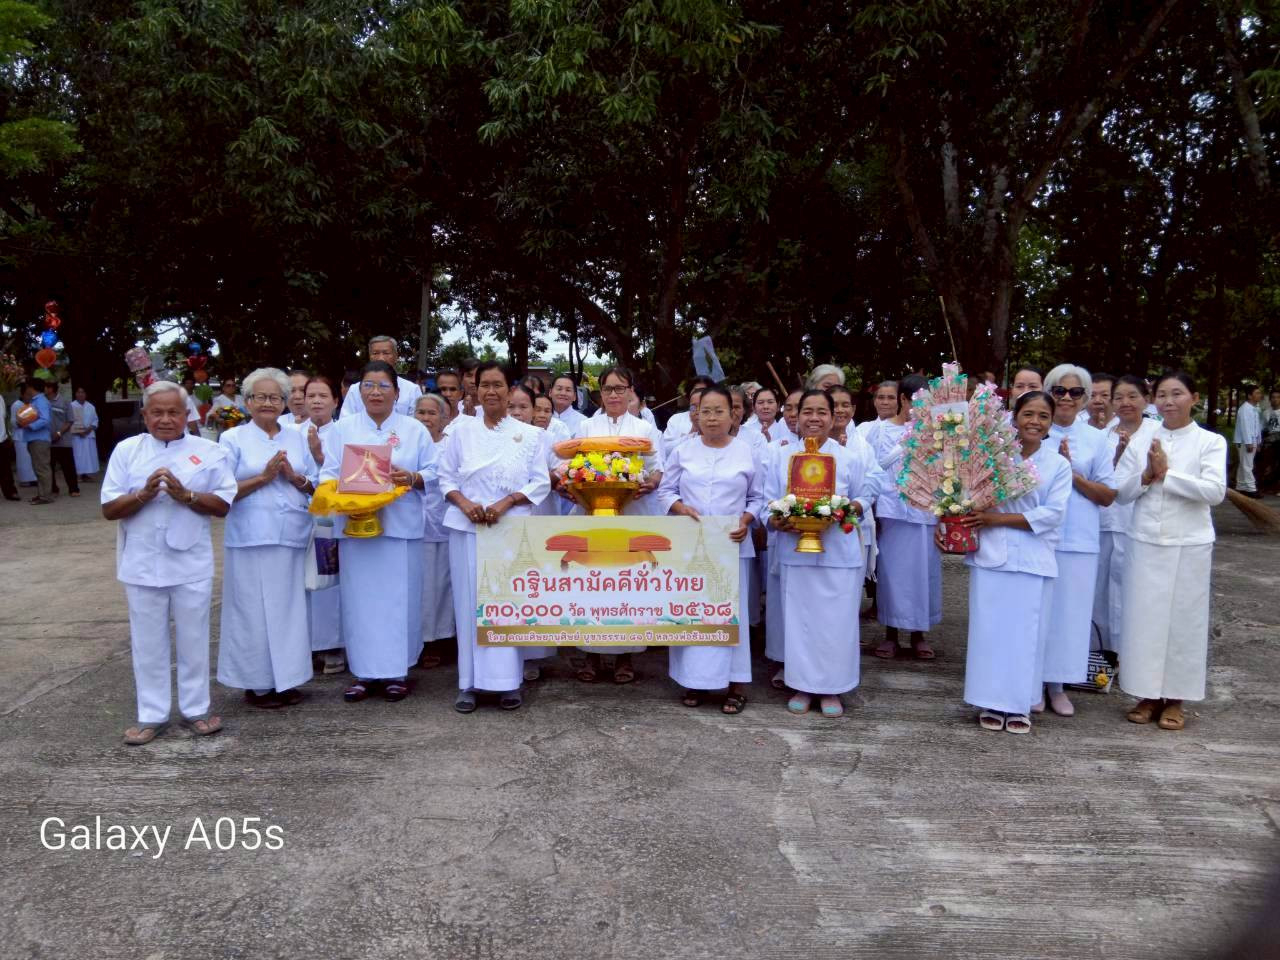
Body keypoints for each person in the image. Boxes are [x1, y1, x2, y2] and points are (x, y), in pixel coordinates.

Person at [100, 381, 237, 744]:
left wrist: (186, 495)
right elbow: (109, 508)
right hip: (142, 562)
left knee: (194, 638)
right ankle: (152, 715)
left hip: (190, 560)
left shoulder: (209, 451)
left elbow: (223, 505)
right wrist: (143, 495)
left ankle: (196, 710)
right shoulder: (127, 451)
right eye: (156, 412)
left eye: (173, 412)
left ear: (186, 414)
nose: (165, 419)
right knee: (147, 643)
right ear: (144, 415)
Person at [1113, 371, 1227, 731]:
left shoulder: (1210, 442)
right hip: (1145, 540)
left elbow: (1214, 492)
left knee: (1183, 623)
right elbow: (1121, 490)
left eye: (1177, 393)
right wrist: (1146, 476)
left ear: (1194, 397)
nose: (1168, 401)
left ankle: (1175, 698)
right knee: (1145, 621)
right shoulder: (1142, 437)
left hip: (1190, 543)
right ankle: (1146, 695)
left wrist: (1167, 475)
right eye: (1161, 394)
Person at [762, 389, 884, 718]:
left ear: (833, 418)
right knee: (800, 622)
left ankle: (833, 688)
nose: (814, 418)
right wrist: (775, 519)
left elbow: (871, 485)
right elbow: (767, 498)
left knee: (836, 623)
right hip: (794, 550)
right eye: (807, 412)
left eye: (821, 412)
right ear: (796, 417)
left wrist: (850, 508)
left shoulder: (848, 456)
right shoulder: (780, 455)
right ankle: (801, 684)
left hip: (839, 553)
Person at [320, 360, 437, 703]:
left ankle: (398, 673)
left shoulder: (414, 429)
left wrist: (412, 478)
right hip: (356, 530)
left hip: (399, 529)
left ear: (397, 393)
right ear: (358, 391)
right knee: (359, 603)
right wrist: (346, 488)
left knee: (399, 602)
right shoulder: (343, 428)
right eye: (368, 385)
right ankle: (363, 673)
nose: (375, 392)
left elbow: (434, 472)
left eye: (383, 386)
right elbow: (326, 473)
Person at [956, 390, 1071, 734]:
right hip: (992, 556)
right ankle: (989, 700)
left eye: (1043, 417)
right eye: (1028, 414)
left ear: (1051, 423)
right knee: (990, 633)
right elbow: (967, 496)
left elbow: (1053, 514)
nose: (1035, 422)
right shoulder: (991, 457)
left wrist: (998, 520)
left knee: (1027, 635)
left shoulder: (1059, 465)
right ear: (1014, 417)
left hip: (1035, 559)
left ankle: (1020, 703)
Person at [439, 360, 550, 712]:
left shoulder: (531, 435)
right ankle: (468, 683)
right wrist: (466, 503)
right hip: (466, 526)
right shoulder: (460, 431)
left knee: (506, 606)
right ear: (474, 388)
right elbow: (446, 478)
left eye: (497, 384)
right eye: (484, 384)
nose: (490, 391)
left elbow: (540, 482)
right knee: (470, 605)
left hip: (509, 528)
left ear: (509, 389)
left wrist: (506, 502)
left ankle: (507, 682)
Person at [656, 385, 764, 714]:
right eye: (706, 411)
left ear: (733, 415)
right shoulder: (683, 451)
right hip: (691, 546)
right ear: (696, 415)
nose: (712, 418)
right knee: (692, 613)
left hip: (731, 546)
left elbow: (758, 497)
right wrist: (680, 508)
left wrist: (746, 520)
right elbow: (665, 490)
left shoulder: (746, 451)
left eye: (720, 411)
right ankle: (694, 680)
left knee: (731, 617)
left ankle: (736, 683)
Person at [216, 368, 316, 709]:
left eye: (276, 397)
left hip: (291, 534)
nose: (268, 403)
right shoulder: (233, 439)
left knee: (287, 610)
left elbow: (314, 484)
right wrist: (264, 477)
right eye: (261, 397)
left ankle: (286, 680)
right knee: (252, 611)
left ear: (286, 403)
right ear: (247, 402)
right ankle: (256, 684)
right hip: (251, 537)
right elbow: (222, 491)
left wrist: (293, 477)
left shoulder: (295, 436)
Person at [567, 365, 666, 683]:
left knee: (626, 584)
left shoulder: (644, 429)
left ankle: (625, 658)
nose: (613, 395)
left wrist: (648, 482)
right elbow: (571, 467)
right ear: (600, 394)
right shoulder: (585, 427)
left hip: (632, 512)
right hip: (591, 515)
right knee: (592, 583)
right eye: (608, 389)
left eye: (620, 388)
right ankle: (591, 656)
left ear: (630, 391)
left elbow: (656, 468)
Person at [1036, 365, 1117, 716]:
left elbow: (1107, 494)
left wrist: (1072, 473)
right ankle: (1032, 681)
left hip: (1080, 539)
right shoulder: (1033, 430)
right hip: (1038, 537)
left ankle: (1058, 685)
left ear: (1085, 398)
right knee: (1037, 613)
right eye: (1059, 391)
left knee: (1069, 616)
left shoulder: (1098, 439)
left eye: (1075, 392)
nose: (1066, 398)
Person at [871, 374, 941, 659]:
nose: (922, 407)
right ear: (903, 400)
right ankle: (890, 633)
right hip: (893, 514)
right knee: (892, 575)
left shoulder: (937, 431)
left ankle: (919, 634)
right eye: (916, 400)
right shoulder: (880, 432)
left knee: (923, 574)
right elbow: (873, 471)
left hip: (925, 512)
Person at [1093, 375, 1157, 655]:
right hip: (1104, 521)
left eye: (1132, 396)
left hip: (1140, 522)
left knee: (1133, 590)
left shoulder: (1158, 432)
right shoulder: (1102, 434)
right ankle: (1102, 651)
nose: (1125, 403)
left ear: (1146, 399)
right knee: (1101, 590)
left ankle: (1132, 652)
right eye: (1118, 397)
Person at [301, 375, 345, 674]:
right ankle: (303, 647)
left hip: (328, 520)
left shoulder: (342, 433)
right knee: (300, 588)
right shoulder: (290, 432)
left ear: (335, 401)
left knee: (328, 585)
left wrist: (319, 457)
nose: (316, 401)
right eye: (311, 395)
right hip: (296, 521)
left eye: (322, 395)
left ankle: (332, 647)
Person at [412, 393, 456, 670]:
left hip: (443, 525)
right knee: (419, 586)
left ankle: (440, 642)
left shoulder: (451, 446)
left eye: (432, 413)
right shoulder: (406, 444)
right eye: (421, 413)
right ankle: (418, 641)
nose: (426, 419)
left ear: (444, 418)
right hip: (412, 527)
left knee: (442, 587)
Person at [339, 336, 423, 419]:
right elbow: (345, 424)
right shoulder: (355, 389)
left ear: (396, 356)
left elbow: (416, 426)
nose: (381, 358)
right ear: (370, 357)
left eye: (386, 353)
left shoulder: (412, 390)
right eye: (375, 353)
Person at [661, 375, 717, 457]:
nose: (700, 395)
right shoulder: (676, 420)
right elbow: (664, 451)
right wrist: (693, 431)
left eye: (704, 391)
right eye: (696, 391)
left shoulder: (718, 419)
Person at [41, 381, 79, 497]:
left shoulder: (64, 401)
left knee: (68, 466)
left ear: (51, 389)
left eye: (46, 387)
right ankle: (53, 488)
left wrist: (59, 433)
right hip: (47, 440)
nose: (44, 389)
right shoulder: (42, 402)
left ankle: (73, 489)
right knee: (49, 466)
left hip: (63, 441)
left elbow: (70, 420)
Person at [18, 380, 53, 504]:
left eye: (27, 387)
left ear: (31, 387)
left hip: (40, 438)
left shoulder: (41, 401)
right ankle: (41, 493)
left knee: (42, 468)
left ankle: (46, 496)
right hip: (35, 438)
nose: (26, 389)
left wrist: (30, 425)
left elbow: (45, 419)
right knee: (38, 467)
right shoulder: (35, 401)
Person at [1234, 384, 1262, 498]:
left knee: (1244, 464)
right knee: (1247, 465)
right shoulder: (1245, 409)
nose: (1260, 395)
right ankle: (1251, 489)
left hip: (1252, 440)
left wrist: (1258, 440)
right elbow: (1246, 427)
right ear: (1250, 396)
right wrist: (1249, 442)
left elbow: (1256, 426)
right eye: (1257, 393)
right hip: (1245, 441)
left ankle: (1241, 486)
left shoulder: (1255, 409)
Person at [69, 387, 100, 480]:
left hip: (88, 434)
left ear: (85, 394)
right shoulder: (71, 406)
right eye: (78, 392)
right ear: (75, 394)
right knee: (78, 455)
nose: (80, 394)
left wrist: (88, 430)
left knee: (88, 456)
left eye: (82, 392)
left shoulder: (90, 406)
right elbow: (69, 421)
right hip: (76, 435)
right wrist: (79, 431)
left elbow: (95, 420)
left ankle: (85, 474)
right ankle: (77, 475)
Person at [0, 393, 16, 501]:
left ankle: (10, 492)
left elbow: (4, 416)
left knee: (5, 468)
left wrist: (8, 433)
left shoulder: (0, 397)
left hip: (2, 437)